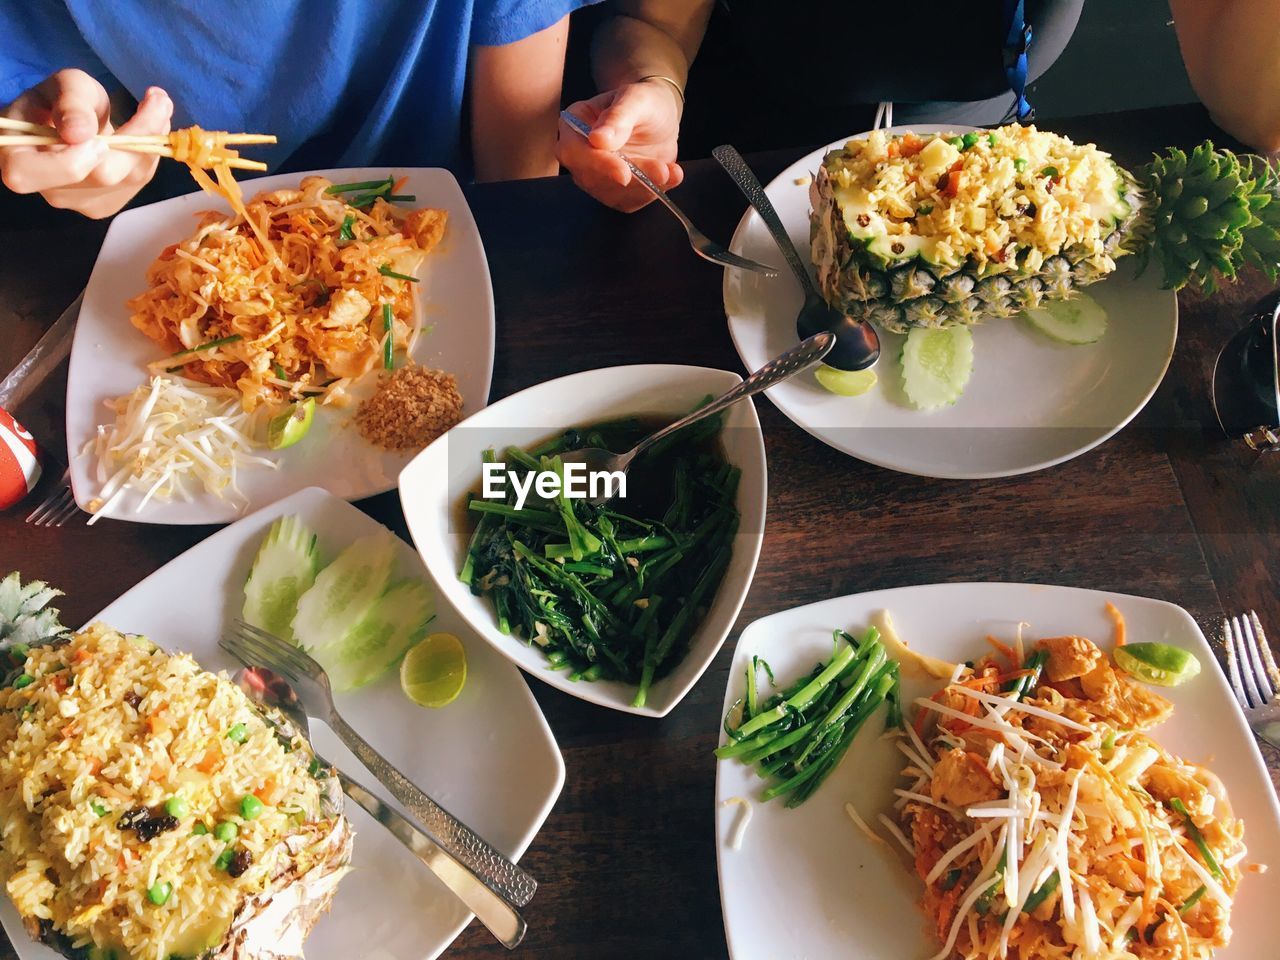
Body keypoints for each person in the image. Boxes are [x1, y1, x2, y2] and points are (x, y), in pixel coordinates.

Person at [561, 0, 1280, 212]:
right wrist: (654, 92)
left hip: (979, 189)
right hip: (734, 183)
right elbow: (651, 22)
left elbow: (1255, 113)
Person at [0, 0, 596, 218]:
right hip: (195, 235)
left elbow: (519, 195)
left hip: (446, 233)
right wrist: (89, 157)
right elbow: (82, 108)